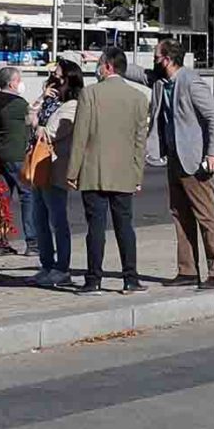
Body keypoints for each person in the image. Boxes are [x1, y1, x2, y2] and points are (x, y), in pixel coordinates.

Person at [64, 47, 151, 294]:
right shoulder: (138, 98)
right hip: (124, 173)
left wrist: (72, 172)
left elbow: (80, 137)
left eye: (100, 64)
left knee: (95, 228)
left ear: (108, 66)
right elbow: (140, 142)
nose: (98, 69)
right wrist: (137, 174)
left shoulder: (90, 94)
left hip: (94, 171)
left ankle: (93, 280)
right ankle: (130, 278)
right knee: (125, 226)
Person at [147, 39, 214, 286]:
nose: (153, 62)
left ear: (167, 60)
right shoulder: (162, 82)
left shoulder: (191, 82)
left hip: (195, 159)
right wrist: (110, 58)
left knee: (206, 215)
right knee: (180, 213)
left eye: (156, 57)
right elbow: (139, 74)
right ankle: (188, 271)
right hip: (174, 157)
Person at [28, 59, 81, 285]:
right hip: (40, 165)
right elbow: (30, 119)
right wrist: (41, 100)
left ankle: (62, 268)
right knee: (39, 218)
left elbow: (49, 133)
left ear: (68, 78)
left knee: (57, 220)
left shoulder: (71, 106)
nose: (53, 78)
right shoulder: (51, 102)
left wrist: (36, 121)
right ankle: (46, 264)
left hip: (56, 167)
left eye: (58, 75)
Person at [0, 66, 35, 256]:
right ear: (11, 83)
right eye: (18, 79)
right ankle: (32, 242)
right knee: (28, 195)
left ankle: (0, 241)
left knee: (3, 198)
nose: (20, 83)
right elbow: (31, 120)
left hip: (1, 152)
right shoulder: (18, 104)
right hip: (16, 154)